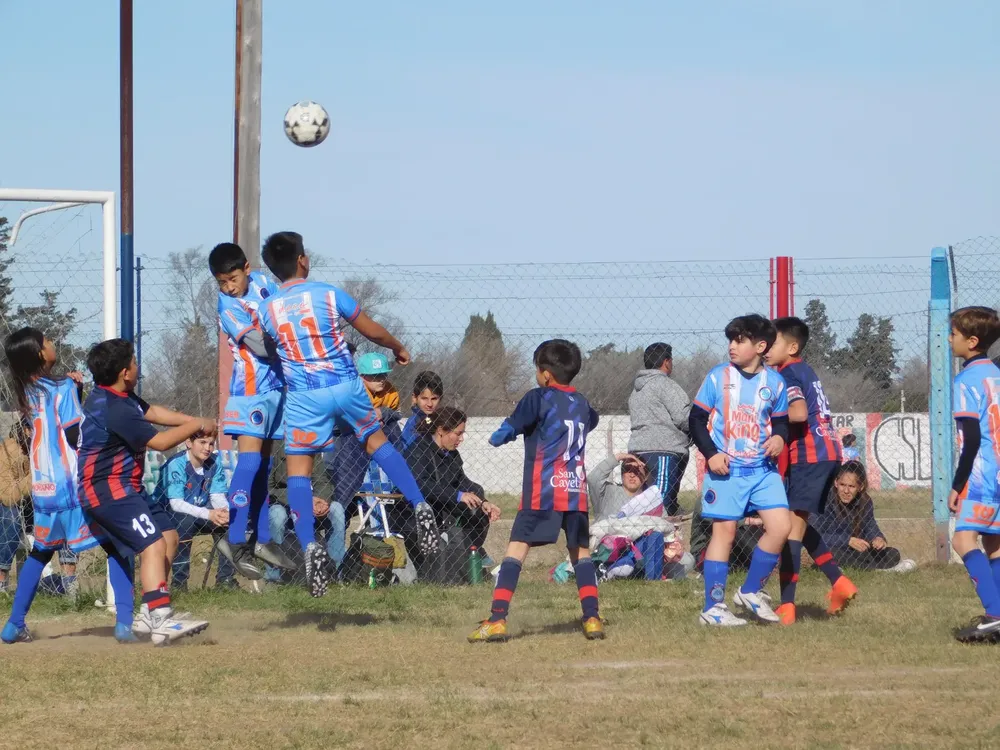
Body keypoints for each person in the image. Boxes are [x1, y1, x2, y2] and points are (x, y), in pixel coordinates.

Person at [257, 231, 440, 597]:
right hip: (343, 383)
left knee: (299, 468)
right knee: (377, 443)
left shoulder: (268, 309)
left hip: (305, 394)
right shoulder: (326, 293)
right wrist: (396, 346)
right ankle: (420, 504)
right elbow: (367, 326)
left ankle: (309, 543)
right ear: (302, 261)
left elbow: (267, 350)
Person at [77, 338, 213, 645]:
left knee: (169, 537)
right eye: (136, 362)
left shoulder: (116, 396)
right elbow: (161, 443)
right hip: (107, 491)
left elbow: (150, 411)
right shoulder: (115, 409)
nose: (139, 366)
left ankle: (146, 614)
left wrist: (193, 421)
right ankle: (162, 619)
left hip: (128, 488)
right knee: (152, 546)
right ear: (126, 372)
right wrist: (198, 426)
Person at [469, 339, 604, 642]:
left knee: (516, 549)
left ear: (545, 374)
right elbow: (590, 421)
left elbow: (511, 426)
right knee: (581, 553)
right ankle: (592, 618)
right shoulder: (582, 403)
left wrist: (496, 438)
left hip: (544, 490)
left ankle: (497, 619)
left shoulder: (538, 397)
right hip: (575, 492)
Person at [0, 328, 103, 644]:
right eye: (46, 341)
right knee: (116, 540)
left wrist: (73, 388)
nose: (52, 343)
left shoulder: (27, 388)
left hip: (43, 485)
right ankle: (130, 620)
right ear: (39, 355)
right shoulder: (62, 386)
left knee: (41, 553)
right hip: (68, 482)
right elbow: (74, 434)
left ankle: (14, 624)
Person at [689, 314, 791, 627]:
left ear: (761, 346)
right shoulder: (718, 376)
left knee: (781, 527)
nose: (732, 346)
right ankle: (713, 607)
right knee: (725, 533)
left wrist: (779, 437)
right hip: (727, 472)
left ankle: (750, 591)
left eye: (740, 340)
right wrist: (711, 453)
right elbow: (695, 419)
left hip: (762, 471)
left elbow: (783, 421)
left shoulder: (775, 382)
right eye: (731, 340)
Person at [209, 242, 296, 581]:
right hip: (249, 393)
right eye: (221, 282)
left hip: (276, 390)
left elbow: (284, 310)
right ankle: (233, 539)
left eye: (232, 278)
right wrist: (294, 342)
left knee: (263, 466)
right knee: (247, 462)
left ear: (246, 267)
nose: (228, 287)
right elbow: (259, 345)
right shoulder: (228, 305)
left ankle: (261, 539)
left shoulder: (263, 283)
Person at [765, 316, 855, 625]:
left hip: (809, 455)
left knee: (789, 530)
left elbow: (799, 413)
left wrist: (769, 420)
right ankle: (839, 583)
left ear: (791, 347)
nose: (765, 347)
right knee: (797, 524)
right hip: (826, 451)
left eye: (771, 342)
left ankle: (787, 607)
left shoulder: (788, 374)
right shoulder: (804, 370)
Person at [946, 306, 1000, 642]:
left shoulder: (966, 380)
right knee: (995, 543)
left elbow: (973, 438)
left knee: (963, 539)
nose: (950, 339)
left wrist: (957, 484)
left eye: (954, 334)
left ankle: (994, 613)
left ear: (972, 341)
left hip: (980, 475)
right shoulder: (996, 375)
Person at [404, 406, 501, 576]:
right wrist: (458, 495)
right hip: (415, 513)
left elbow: (462, 481)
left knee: (478, 513)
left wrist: (484, 502)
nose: (461, 438)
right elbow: (420, 484)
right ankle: (451, 565)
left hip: (443, 508)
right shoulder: (418, 450)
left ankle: (469, 555)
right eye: (458, 433)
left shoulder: (451, 454)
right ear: (441, 430)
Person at [152, 433, 236, 591]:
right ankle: (179, 583)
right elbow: (176, 503)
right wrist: (209, 514)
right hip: (169, 514)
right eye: (202, 442)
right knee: (185, 522)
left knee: (227, 523)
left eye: (211, 444)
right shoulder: (177, 463)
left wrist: (223, 511)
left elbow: (216, 495)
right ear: (188, 443)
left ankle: (225, 581)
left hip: (200, 512)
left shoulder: (214, 462)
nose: (207, 448)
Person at [813, 462, 915, 572]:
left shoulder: (865, 501)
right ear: (836, 483)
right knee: (831, 553)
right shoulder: (823, 501)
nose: (846, 491)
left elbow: (870, 526)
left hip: (856, 552)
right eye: (842, 485)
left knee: (893, 554)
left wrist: (877, 538)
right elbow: (814, 537)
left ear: (860, 487)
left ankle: (858, 567)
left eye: (851, 486)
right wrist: (847, 540)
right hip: (833, 548)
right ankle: (877, 571)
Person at [627, 343, 692, 516]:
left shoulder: (636, 390)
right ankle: (659, 540)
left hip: (636, 451)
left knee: (641, 507)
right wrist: (695, 432)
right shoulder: (665, 384)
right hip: (663, 450)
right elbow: (683, 417)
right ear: (666, 361)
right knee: (660, 508)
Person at [0, 422, 31, 595]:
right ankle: (2, 578)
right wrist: (36, 475)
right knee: (11, 517)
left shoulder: (50, 447)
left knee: (66, 513)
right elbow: (7, 497)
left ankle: (67, 582)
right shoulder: (9, 450)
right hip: (8, 506)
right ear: (26, 430)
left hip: (36, 505)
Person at [401, 371, 444, 450]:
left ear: (440, 398)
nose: (430, 404)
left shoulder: (441, 420)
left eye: (434, 398)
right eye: (424, 398)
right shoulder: (414, 423)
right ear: (415, 398)